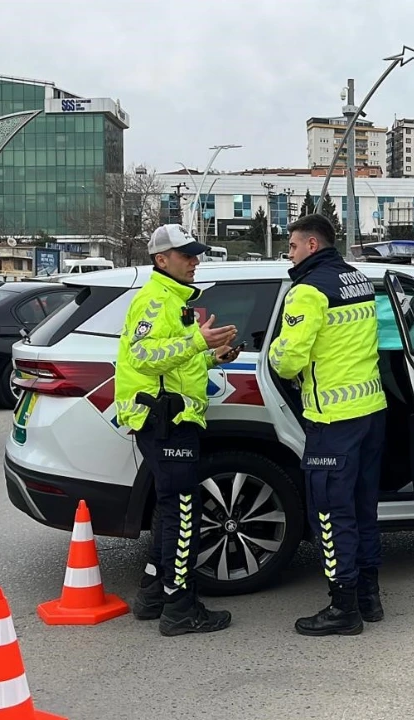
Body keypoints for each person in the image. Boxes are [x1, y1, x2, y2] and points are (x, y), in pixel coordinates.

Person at [269, 214, 388, 636]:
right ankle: (369, 598)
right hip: (371, 410)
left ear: (312, 245)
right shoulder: (359, 281)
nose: (289, 253)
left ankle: (343, 608)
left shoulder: (307, 291)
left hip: (332, 419)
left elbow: (288, 360)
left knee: (331, 515)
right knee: (363, 509)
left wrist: (273, 350)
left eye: (293, 246)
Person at [121, 224, 239, 636]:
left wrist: (213, 356)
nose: (195, 261)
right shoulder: (156, 300)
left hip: (170, 419)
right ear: (162, 259)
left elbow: (176, 364)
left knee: (172, 508)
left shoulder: (175, 299)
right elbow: (143, 355)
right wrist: (197, 343)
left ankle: (154, 594)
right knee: (183, 511)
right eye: (186, 255)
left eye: (195, 254)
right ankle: (180, 608)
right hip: (165, 421)